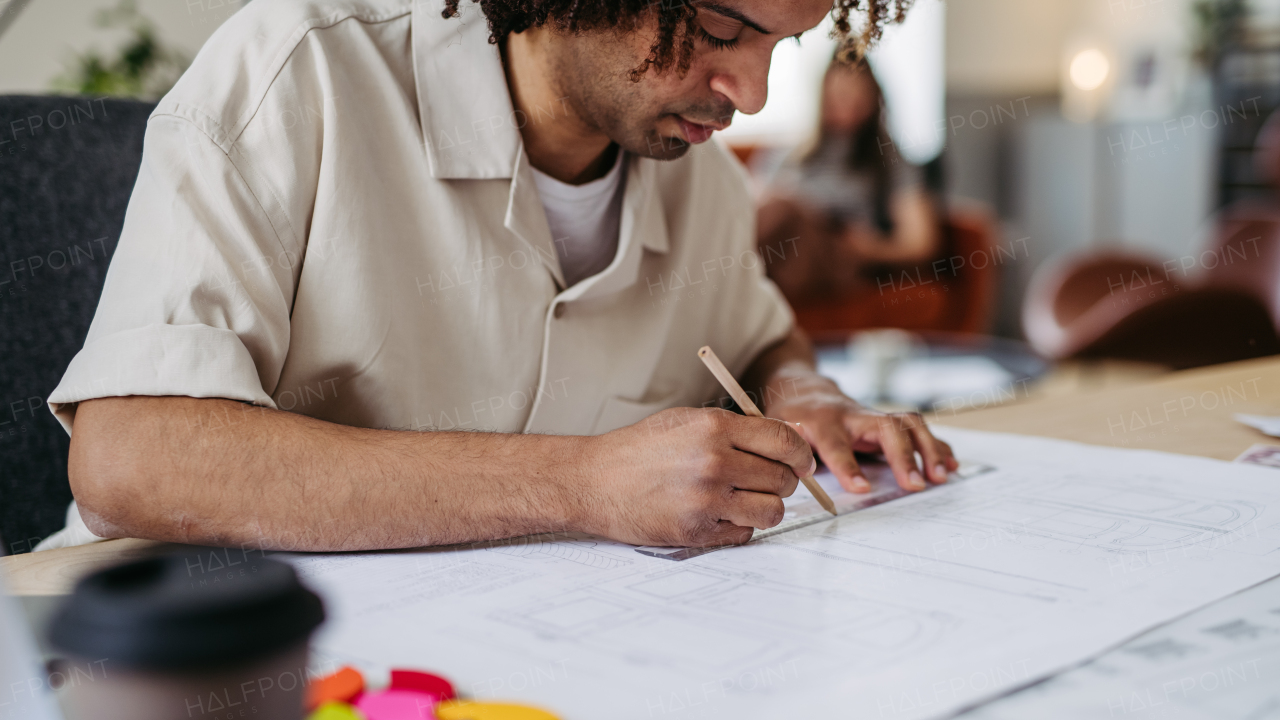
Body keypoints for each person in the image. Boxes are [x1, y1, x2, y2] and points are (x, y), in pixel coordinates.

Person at [42, 0, 957, 554]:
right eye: (722, 24)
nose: (751, 92)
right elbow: (130, 458)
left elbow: (763, 341)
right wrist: (582, 485)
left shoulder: (703, 182)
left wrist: (806, 395)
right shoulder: (300, 70)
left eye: (784, 45)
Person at [757, 57, 940, 303]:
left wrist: (870, 249)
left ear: (875, 99)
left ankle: (716, 275)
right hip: (782, 251)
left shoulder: (890, 160)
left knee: (782, 211)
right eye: (839, 96)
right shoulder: (790, 153)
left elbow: (920, 243)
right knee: (775, 210)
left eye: (857, 97)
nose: (848, 107)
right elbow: (747, 205)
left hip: (836, 254)